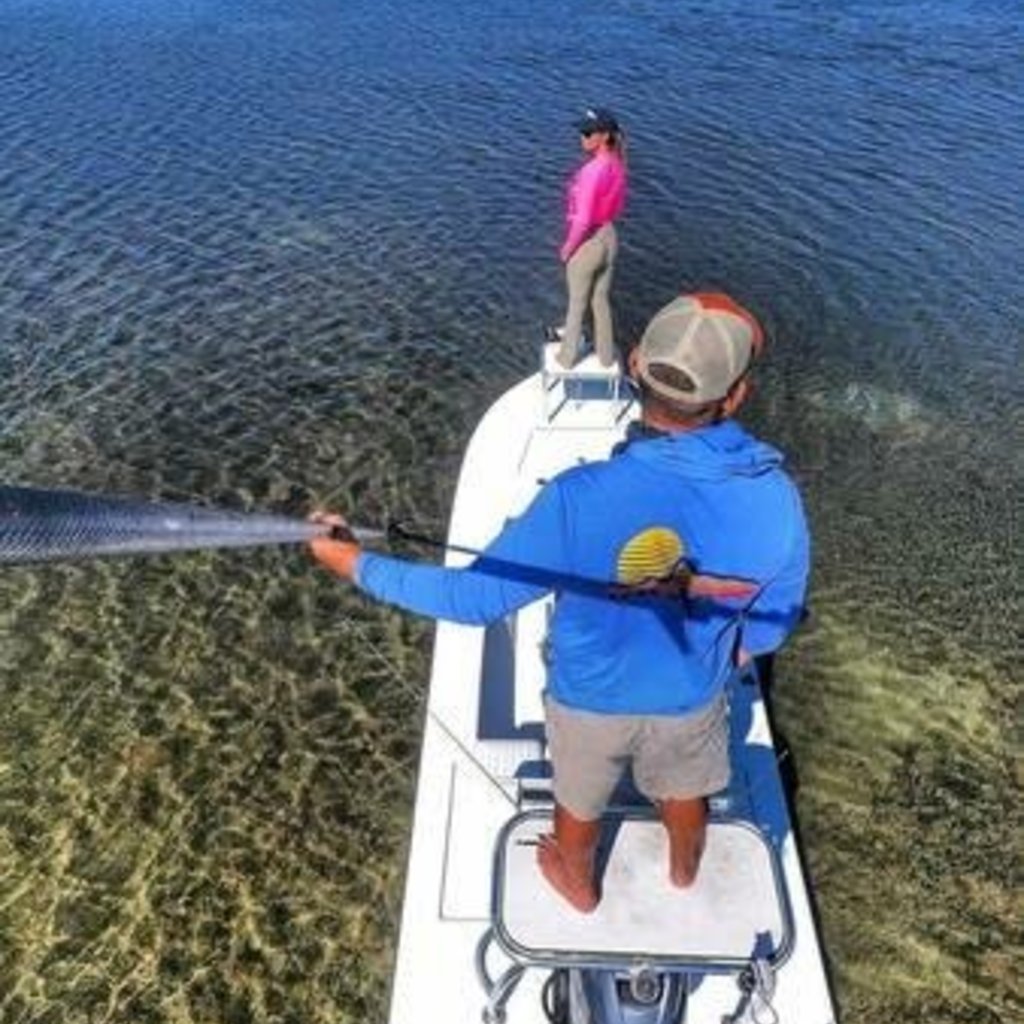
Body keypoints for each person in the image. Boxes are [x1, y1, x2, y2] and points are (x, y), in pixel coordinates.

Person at [309, 292, 810, 914]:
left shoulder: (577, 496)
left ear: (633, 364)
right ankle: (685, 871)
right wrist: (731, 650)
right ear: (733, 397)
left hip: (587, 701)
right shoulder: (778, 499)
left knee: (578, 803)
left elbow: (471, 601)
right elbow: (777, 619)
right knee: (686, 794)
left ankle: (577, 882)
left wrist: (354, 562)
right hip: (691, 698)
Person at [547, 107, 628, 369]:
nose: (582, 137)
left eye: (588, 132)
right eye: (582, 131)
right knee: (600, 300)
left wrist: (568, 248)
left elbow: (582, 220)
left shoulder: (592, 171)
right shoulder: (618, 163)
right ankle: (606, 358)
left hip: (589, 242)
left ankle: (566, 358)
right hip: (609, 236)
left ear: (604, 136)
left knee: (577, 305)